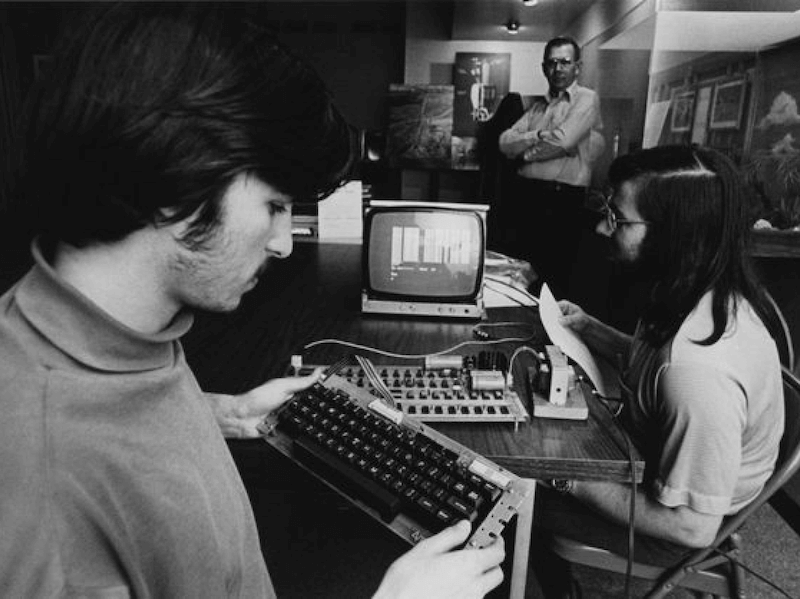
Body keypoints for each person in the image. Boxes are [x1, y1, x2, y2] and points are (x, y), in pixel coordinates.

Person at [0, 5, 505, 598]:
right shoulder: (41, 500)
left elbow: (124, 422)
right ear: (176, 181)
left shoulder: (114, 326)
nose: (285, 243)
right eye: (274, 205)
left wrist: (229, 413)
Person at [529, 145, 785, 597]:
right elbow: (654, 368)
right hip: (664, 464)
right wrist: (590, 328)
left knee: (510, 493)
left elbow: (691, 528)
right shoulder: (698, 292)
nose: (602, 226)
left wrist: (570, 479)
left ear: (675, 235)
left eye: (619, 219)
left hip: (676, 525)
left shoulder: (698, 370)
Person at [498, 36, 604, 299]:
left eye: (565, 62)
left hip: (562, 200)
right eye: (552, 63)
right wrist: (540, 137)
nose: (558, 69)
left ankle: (549, 337)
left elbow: (564, 139)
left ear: (577, 67)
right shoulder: (537, 107)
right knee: (523, 271)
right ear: (544, 67)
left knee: (554, 278)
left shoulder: (586, 99)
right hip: (529, 196)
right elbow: (504, 142)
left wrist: (525, 155)